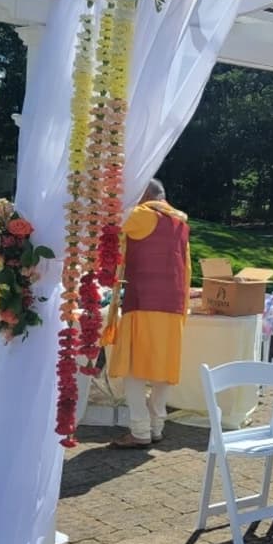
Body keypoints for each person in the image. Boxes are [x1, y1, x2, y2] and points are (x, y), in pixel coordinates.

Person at [107, 179, 192, 449]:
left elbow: (108, 224)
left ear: (144, 194)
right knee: (162, 369)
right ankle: (157, 426)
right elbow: (187, 267)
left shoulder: (142, 215)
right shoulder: (181, 223)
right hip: (174, 303)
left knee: (134, 368)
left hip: (144, 300)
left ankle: (140, 430)